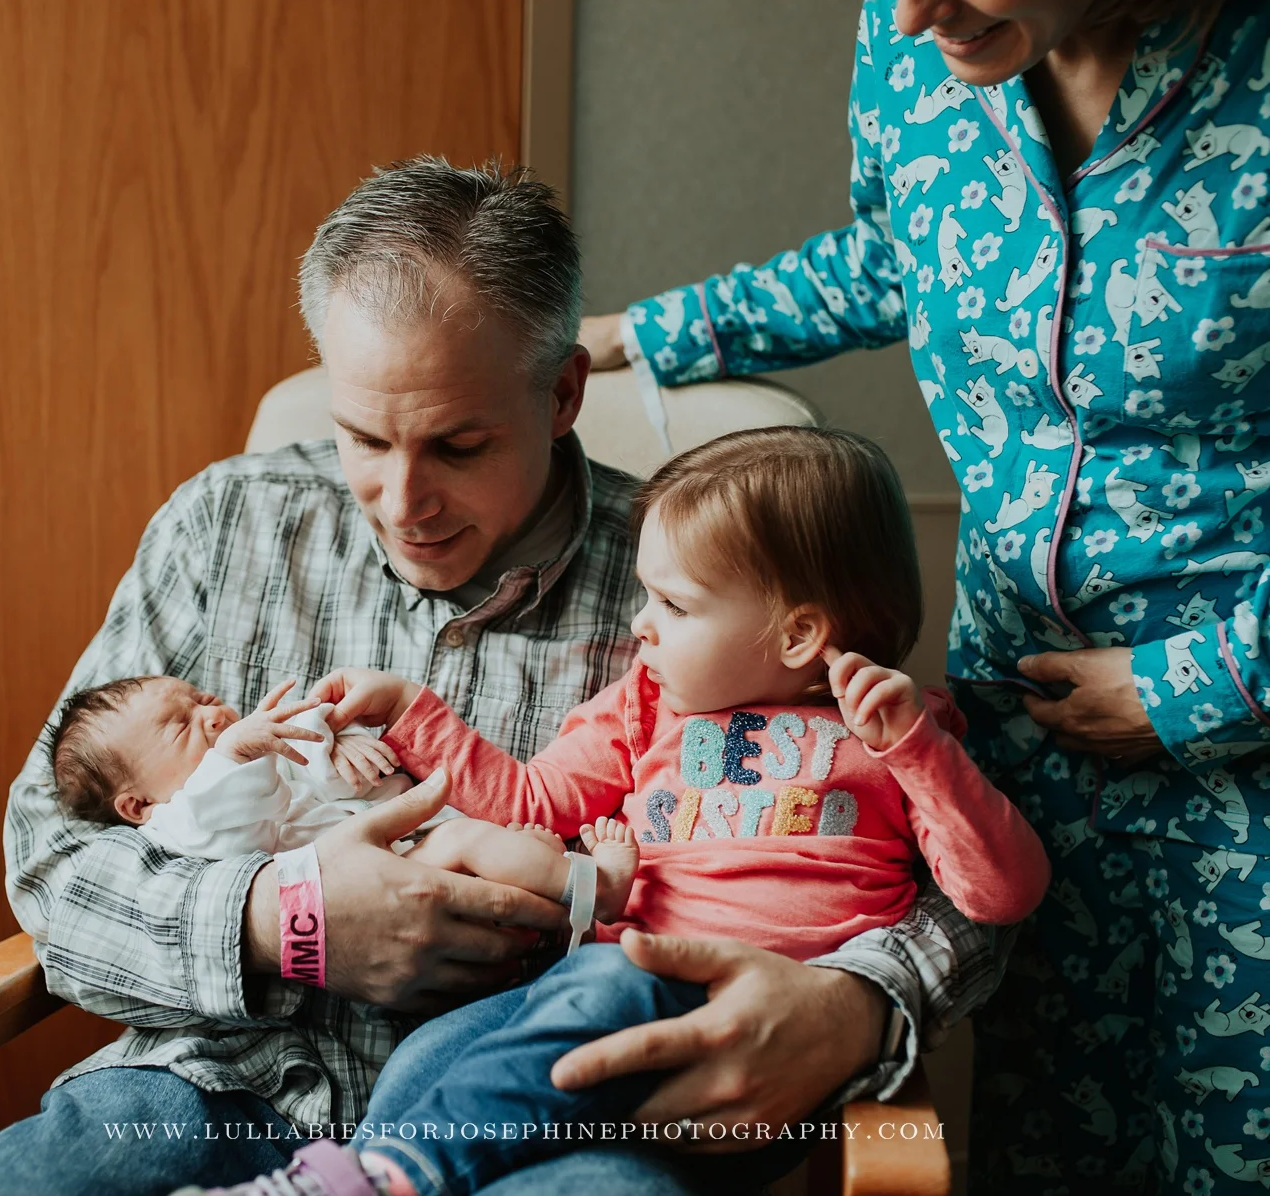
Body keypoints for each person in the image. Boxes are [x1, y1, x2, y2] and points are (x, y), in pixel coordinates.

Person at [0, 158, 999, 1196]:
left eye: (460, 445)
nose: (402, 500)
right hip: (209, 1084)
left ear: (564, 391)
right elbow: (54, 854)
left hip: (556, 1113)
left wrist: (863, 1003)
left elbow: (931, 845)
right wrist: (276, 922)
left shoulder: (702, 577)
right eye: (362, 439)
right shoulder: (222, 526)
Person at [580, 0, 1270, 1187]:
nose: (908, 15)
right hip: (1017, 763)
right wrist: (639, 336)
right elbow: (896, 251)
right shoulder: (917, 45)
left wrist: (1194, 684)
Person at [215, 426, 1050, 1196]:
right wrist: (410, 709)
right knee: (430, 1056)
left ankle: (394, 1177)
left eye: (675, 606)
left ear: (798, 635)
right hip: (593, 988)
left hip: (744, 1044)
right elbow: (529, 801)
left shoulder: (901, 737)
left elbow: (1002, 893)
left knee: (607, 985)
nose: (639, 626)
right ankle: (367, 1174)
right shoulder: (647, 705)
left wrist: (917, 752)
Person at [44, 672, 640, 916]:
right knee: (466, 842)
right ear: (137, 806)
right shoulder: (175, 828)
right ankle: (595, 889)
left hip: (402, 848)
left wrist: (341, 744)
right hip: (365, 892)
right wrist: (237, 753)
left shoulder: (258, 759)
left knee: (477, 846)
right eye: (181, 726)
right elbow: (242, 826)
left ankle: (546, 873)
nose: (209, 713)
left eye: (200, 697)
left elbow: (311, 770)